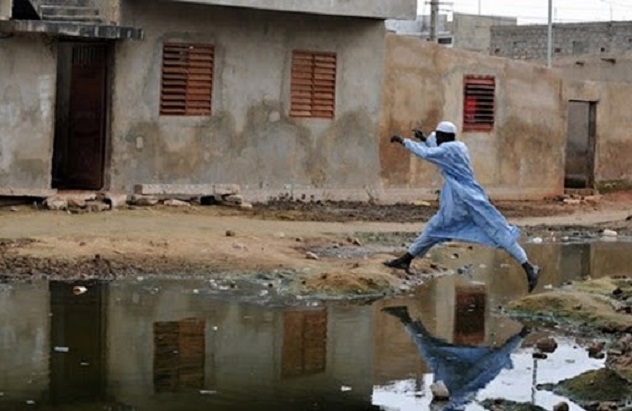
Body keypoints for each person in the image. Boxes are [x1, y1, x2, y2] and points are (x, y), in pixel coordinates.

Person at [385, 120, 540, 293]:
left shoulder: (449, 149)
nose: (437, 140)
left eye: (438, 137)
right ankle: (406, 259)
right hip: (465, 198)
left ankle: (529, 267)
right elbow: (436, 151)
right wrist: (424, 139)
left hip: (465, 199)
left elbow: (429, 154)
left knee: (490, 230)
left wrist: (404, 141)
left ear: (444, 137)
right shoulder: (459, 147)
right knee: (440, 228)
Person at [382, 306, 529, 411]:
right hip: (467, 376)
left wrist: (439, 402)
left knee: (427, 348)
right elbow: (481, 376)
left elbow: (435, 404)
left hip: (447, 370)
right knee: (497, 357)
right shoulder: (462, 398)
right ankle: (525, 331)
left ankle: (404, 317)